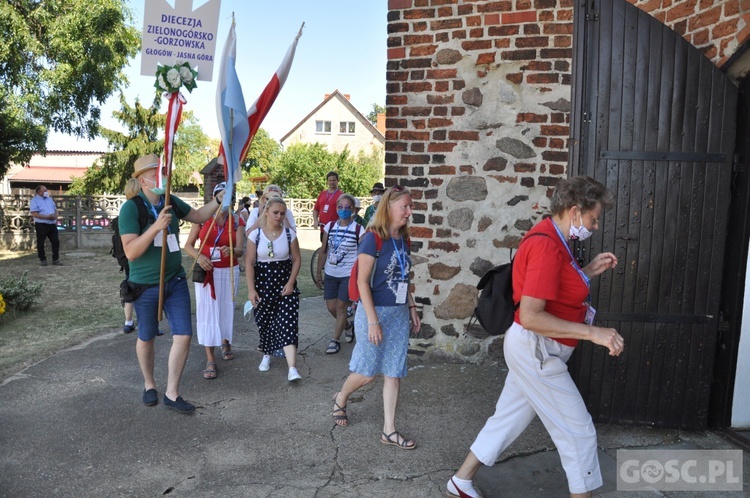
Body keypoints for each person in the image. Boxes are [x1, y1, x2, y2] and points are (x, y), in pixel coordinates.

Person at [446, 176, 625, 498]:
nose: (595, 226)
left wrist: (589, 272)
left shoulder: (556, 238)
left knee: (507, 419)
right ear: (574, 210)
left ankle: (461, 480)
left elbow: (556, 290)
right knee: (578, 432)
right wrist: (593, 333)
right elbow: (531, 315)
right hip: (537, 350)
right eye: (593, 218)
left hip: (536, 349)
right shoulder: (545, 244)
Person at [119, 153, 226, 414]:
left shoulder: (170, 201)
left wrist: (218, 200)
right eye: (157, 173)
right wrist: (156, 227)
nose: (163, 176)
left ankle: (172, 392)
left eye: (163, 171)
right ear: (143, 181)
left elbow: (199, 216)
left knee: (184, 334)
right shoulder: (131, 208)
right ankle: (149, 385)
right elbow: (131, 251)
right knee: (146, 337)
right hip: (144, 284)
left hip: (174, 279)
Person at [332, 186, 421, 450]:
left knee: (394, 371)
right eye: (405, 206)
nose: (409, 211)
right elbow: (361, 281)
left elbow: (403, 277)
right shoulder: (373, 238)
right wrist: (372, 320)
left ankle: (389, 430)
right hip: (374, 312)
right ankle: (341, 397)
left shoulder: (403, 239)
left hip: (398, 314)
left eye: (410, 206)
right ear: (389, 208)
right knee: (367, 373)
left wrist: (412, 307)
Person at [184, 182, 244, 380]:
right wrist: (199, 257)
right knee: (207, 312)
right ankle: (210, 358)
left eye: (230, 198)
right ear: (215, 197)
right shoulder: (202, 218)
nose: (225, 201)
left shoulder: (236, 221)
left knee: (226, 309)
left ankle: (225, 340)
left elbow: (241, 250)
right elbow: (189, 246)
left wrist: (232, 250)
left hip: (229, 271)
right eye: (222, 196)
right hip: (206, 271)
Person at [245, 196, 303, 382]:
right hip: (263, 284)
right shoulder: (256, 235)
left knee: (288, 323)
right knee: (265, 322)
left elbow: (296, 260)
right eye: (275, 212)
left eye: (282, 213)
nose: (279, 216)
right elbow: (249, 262)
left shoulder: (289, 234)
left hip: (284, 284)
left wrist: (291, 282)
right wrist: (251, 289)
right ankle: (267, 353)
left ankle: (292, 368)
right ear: (266, 212)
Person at [316, 194, 363, 354]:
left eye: (347, 207)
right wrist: (318, 272)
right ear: (336, 208)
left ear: (353, 210)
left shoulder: (358, 229)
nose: (344, 210)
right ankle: (348, 326)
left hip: (348, 275)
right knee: (331, 308)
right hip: (331, 272)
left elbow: (363, 254)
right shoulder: (329, 226)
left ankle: (334, 340)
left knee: (341, 307)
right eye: (341, 207)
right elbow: (323, 251)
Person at [122, 178, 141, 333]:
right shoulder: (131, 211)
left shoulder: (124, 211)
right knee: (139, 290)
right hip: (135, 259)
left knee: (130, 289)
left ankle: (129, 322)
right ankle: (132, 322)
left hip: (126, 260)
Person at [29, 185, 61, 266]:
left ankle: (55, 259)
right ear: (39, 192)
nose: (47, 192)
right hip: (41, 224)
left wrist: (56, 216)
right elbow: (34, 213)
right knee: (41, 242)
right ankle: (43, 259)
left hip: (52, 224)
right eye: (45, 190)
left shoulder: (49, 199)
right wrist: (47, 217)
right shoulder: (34, 200)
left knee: (56, 242)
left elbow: (55, 209)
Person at [312, 171, 342, 238]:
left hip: (335, 229)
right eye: (330, 180)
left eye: (334, 180)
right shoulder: (322, 194)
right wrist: (315, 220)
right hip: (323, 229)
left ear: (337, 181)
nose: (332, 182)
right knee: (323, 247)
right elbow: (316, 209)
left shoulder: (341, 195)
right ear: (327, 182)